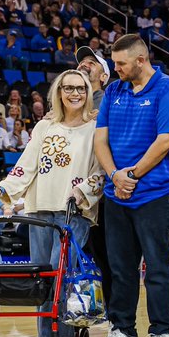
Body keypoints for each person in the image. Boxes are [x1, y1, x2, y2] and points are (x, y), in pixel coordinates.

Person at [0, 70, 104, 337]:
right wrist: (0, 190)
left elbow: (100, 172)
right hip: (39, 210)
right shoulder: (44, 126)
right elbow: (25, 166)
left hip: (73, 211)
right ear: (58, 92)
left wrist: (82, 190)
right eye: (68, 88)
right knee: (43, 277)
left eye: (80, 88)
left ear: (88, 92)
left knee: (62, 275)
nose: (75, 93)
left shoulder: (96, 127)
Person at [90, 34, 169, 337]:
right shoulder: (113, 91)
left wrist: (131, 175)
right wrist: (115, 176)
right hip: (117, 194)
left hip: (156, 194)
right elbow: (100, 140)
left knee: (157, 267)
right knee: (120, 268)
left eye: (121, 64)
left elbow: (165, 141)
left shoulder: (168, 88)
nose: (115, 69)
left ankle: (162, 333)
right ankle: (122, 332)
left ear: (141, 61)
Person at [76, 45, 112, 301]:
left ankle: (114, 314)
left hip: (100, 191)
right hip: (73, 192)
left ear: (104, 76)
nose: (84, 64)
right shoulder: (67, 106)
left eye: (92, 62)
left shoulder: (108, 103)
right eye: (81, 62)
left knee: (106, 256)